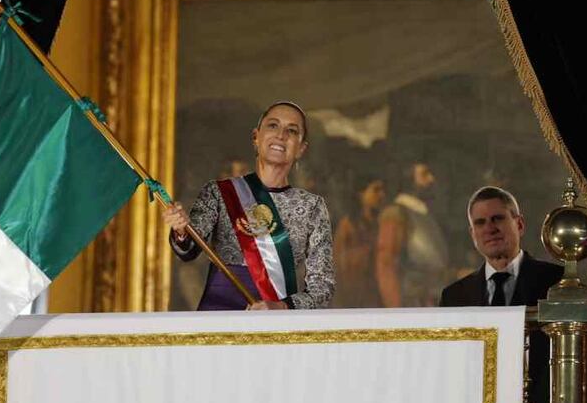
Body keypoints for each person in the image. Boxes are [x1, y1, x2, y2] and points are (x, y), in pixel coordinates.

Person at [439, 185, 563, 403]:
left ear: (519, 224)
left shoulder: (557, 283)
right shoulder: (454, 296)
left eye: (497, 218)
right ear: (472, 233)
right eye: (480, 223)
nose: (489, 228)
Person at [163, 101, 334, 311]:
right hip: (220, 322)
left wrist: (280, 307)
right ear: (256, 137)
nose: (281, 135)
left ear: (301, 149)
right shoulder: (218, 193)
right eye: (273, 126)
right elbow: (187, 250)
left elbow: (322, 288)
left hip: (277, 327)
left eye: (292, 130)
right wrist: (181, 229)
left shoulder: (312, 207)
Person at [376, 161, 449, 307]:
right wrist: (396, 310)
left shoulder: (423, 213)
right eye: (424, 174)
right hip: (411, 303)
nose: (431, 179)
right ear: (408, 179)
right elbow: (386, 266)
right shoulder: (396, 214)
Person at [333, 176, 385, 307]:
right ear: (361, 193)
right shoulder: (347, 225)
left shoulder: (381, 221)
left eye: (382, 190)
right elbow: (339, 264)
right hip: (354, 294)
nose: (381, 195)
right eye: (376, 190)